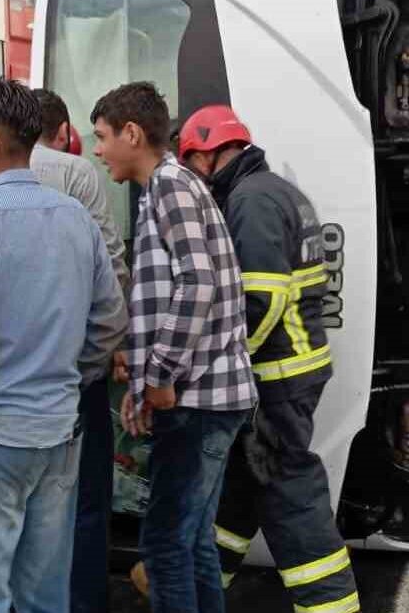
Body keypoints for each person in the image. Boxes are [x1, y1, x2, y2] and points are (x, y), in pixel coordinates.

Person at [176, 105, 360, 613]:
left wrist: (222, 361)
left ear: (209, 153)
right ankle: (204, 582)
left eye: (192, 164)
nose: (193, 178)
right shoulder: (276, 189)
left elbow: (262, 298)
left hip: (277, 374)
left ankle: (330, 606)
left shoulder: (250, 199)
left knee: (287, 492)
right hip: (293, 367)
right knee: (243, 476)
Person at [90, 82, 257, 613]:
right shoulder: (173, 187)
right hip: (204, 399)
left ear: (132, 134)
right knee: (192, 544)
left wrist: (159, 377)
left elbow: (197, 282)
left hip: (197, 403)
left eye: (102, 137)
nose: (96, 151)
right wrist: (142, 386)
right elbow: (171, 294)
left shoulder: (169, 187)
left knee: (164, 545)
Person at [0, 78, 128, 613]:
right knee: (44, 590)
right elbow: (112, 321)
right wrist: (70, 372)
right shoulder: (76, 219)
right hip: (60, 431)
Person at [30, 87, 130, 613]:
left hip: (6, 386)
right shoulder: (76, 175)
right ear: (64, 131)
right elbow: (112, 274)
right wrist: (90, 365)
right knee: (85, 502)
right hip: (73, 376)